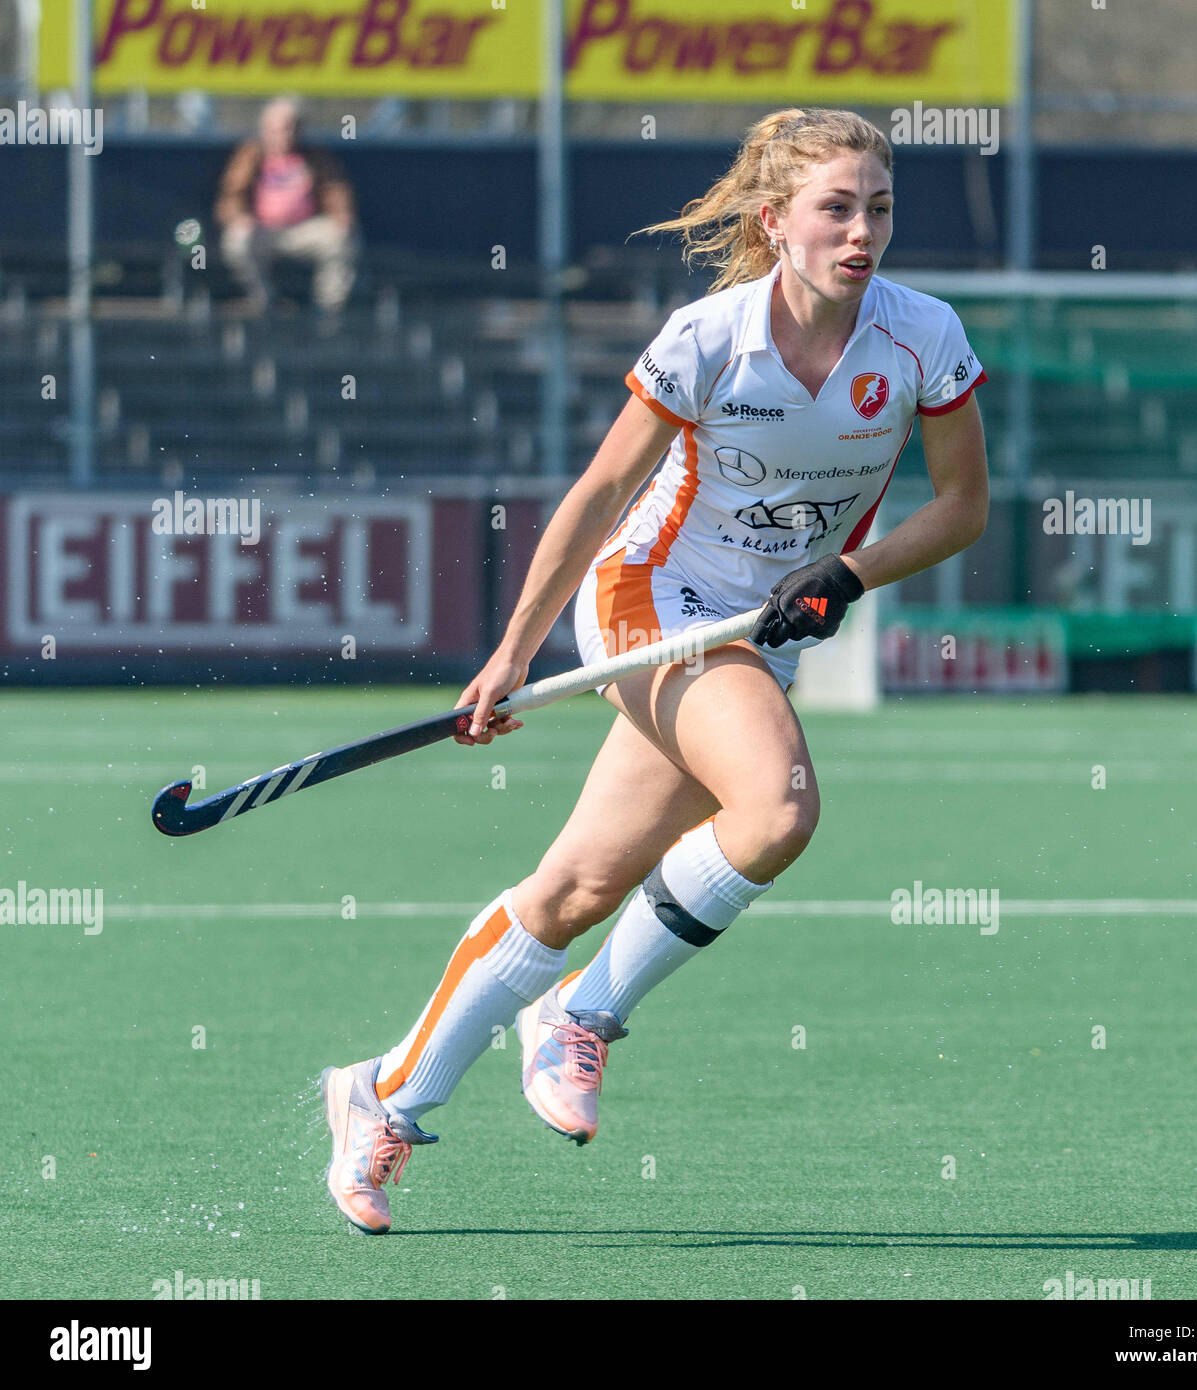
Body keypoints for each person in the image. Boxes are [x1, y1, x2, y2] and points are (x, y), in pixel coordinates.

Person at [320, 107, 990, 1235]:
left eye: (878, 207)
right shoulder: (710, 336)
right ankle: (584, 1013)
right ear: (775, 221)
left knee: (574, 890)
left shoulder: (921, 336)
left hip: (757, 629)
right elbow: (592, 499)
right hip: (652, 600)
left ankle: (379, 1095)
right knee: (775, 806)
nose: (861, 230)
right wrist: (512, 649)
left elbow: (963, 507)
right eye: (835, 207)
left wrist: (851, 574)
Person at [215, 97, 357, 314]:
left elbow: (335, 188)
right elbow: (231, 195)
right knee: (237, 241)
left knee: (341, 238)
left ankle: (328, 309)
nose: (283, 134)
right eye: (276, 129)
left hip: (305, 229)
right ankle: (264, 301)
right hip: (263, 230)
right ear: (264, 130)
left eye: (289, 128)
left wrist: (342, 214)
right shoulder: (249, 155)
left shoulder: (315, 156)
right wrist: (238, 217)